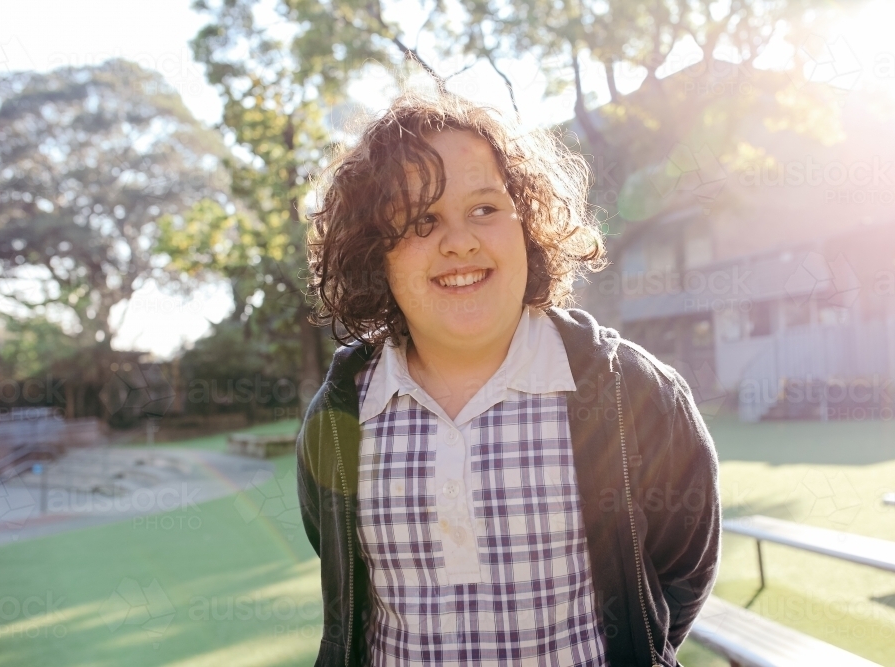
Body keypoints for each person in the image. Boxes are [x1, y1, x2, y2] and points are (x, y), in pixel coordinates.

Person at [297, 91, 721, 667]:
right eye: (422, 220)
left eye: (484, 209)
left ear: (530, 224)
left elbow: (682, 569)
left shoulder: (633, 393)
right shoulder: (341, 416)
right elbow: (341, 572)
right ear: (377, 252)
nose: (459, 241)